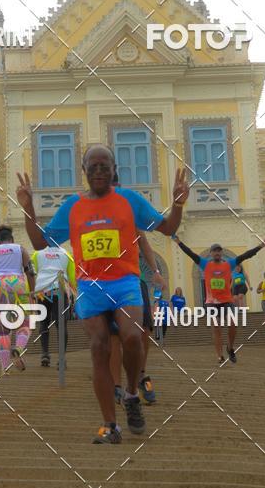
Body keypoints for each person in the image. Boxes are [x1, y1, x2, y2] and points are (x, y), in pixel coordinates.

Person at [16, 145, 189, 443]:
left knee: (133, 337)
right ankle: (110, 424)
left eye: (104, 166)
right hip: (90, 287)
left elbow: (169, 227)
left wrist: (177, 204)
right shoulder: (73, 206)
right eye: (92, 167)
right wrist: (28, 208)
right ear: (83, 171)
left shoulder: (129, 200)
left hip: (124, 283)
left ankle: (132, 394)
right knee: (99, 347)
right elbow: (40, 243)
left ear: (113, 169)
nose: (98, 172)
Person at [173, 235, 265, 364]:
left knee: (233, 324)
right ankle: (219, 356)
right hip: (212, 303)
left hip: (226, 301)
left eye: (219, 250)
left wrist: (260, 246)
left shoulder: (228, 264)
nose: (217, 252)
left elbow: (245, 255)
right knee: (216, 328)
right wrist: (179, 242)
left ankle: (230, 347)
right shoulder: (205, 264)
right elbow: (190, 253)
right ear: (211, 253)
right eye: (215, 250)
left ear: (221, 252)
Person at [110, 231, 165, 406]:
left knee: (144, 329)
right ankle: (117, 385)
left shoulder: (129, 216)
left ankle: (141, 375)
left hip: (134, 281)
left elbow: (144, 243)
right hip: (107, 282)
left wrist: (155, 270)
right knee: (114, 335)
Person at [0, 225, 36, 374]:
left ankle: (5, 367)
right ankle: (18, 348)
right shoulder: (20, 249)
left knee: (2, 330)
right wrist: (32, 292)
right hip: (17, 284)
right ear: (12, 239)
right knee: (25, 323)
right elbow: (30, 272)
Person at [31, 245, 76, 367]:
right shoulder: (66, 254)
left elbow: (34, 271)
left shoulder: (37, 253)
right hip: (60, 290)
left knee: (43, 323)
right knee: (61, 324)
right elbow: (72, 277)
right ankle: (61, 358)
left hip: (42, 291)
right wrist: (74, 294)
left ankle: (45, 353)